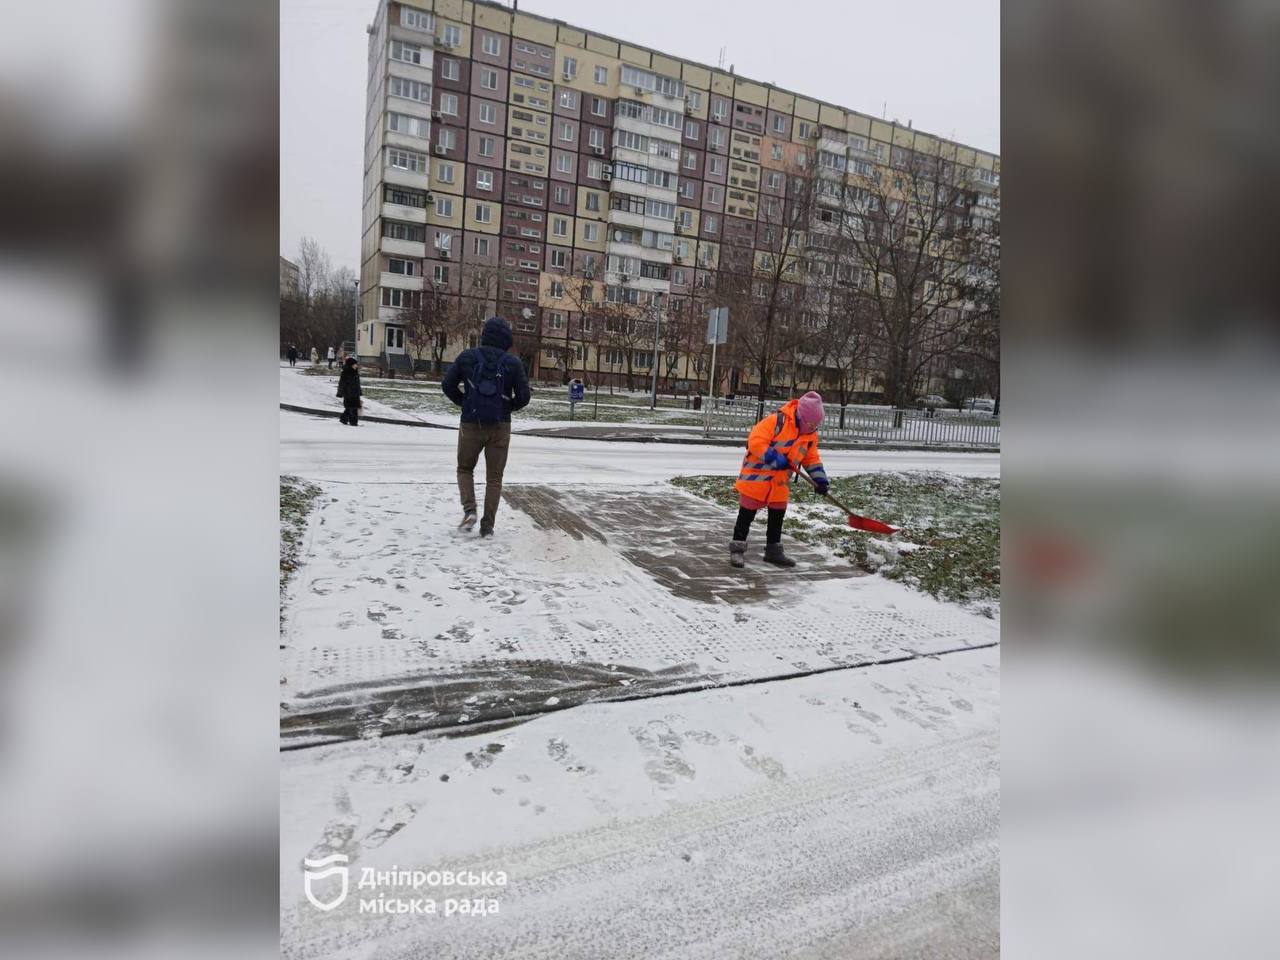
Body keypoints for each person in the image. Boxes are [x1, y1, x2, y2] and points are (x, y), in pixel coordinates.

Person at [441, 316, 531, 537]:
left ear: (484, 335)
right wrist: (507, 408)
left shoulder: (467, 357)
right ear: (506, 339)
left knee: (464, 468)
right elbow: (524, 396)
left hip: (471, 423)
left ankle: (470, 511)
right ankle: (488, 525)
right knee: (494, 478)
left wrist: (465, 402)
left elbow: (447, 385)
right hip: (500, 426)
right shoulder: (513, 363)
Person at [730, 391, 829, 569]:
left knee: (777, 516)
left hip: (779, 483)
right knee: (746, 515)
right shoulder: (777, 421)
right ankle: (737, 548)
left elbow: (811, 458)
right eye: (811, 424)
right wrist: (776, 459)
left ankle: (773, 550)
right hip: (755, 479)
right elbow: (756, 441)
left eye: (817, 425)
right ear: (801, 416)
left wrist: (821, 481)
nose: (814, 428)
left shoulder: (810, 437)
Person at [336, 356, 362, 426]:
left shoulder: (356, 373)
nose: (356, 366)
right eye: (355, 364)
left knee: (351, 407)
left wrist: (360, 391)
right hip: (348, 393)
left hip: (355, 393)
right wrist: (339, 392)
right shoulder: (345, 373)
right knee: (352, 408)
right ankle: (353, 422)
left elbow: (358, 384)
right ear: (350, 365)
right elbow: (341, 383)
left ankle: (344, 418)